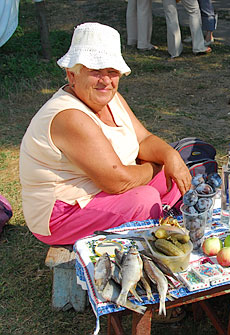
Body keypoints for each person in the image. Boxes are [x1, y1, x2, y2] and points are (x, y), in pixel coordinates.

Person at [19, 22, 192, 245]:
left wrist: (171, 156)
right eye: (95, 72)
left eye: (112, 72)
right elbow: (117, 182)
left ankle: (155, 224)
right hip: (62, 214)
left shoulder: (112, 99)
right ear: (72, 75)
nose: (106, 80)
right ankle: (147, 238)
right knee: (145, 199)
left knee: (174, 176)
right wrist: (156, 165)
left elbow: (144, 139)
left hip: (97, 193)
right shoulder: (69, 116)